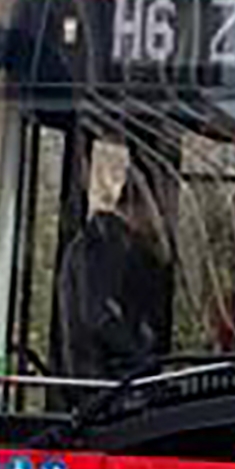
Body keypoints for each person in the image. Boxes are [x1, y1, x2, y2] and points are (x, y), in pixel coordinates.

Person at [53, 153, 174, 388]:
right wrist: (141, 359)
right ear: (142, 205)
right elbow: (100, 316)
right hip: (102, 385)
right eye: (160, 210)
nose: (162, 220)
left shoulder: (113, 242)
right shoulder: (102, 245)